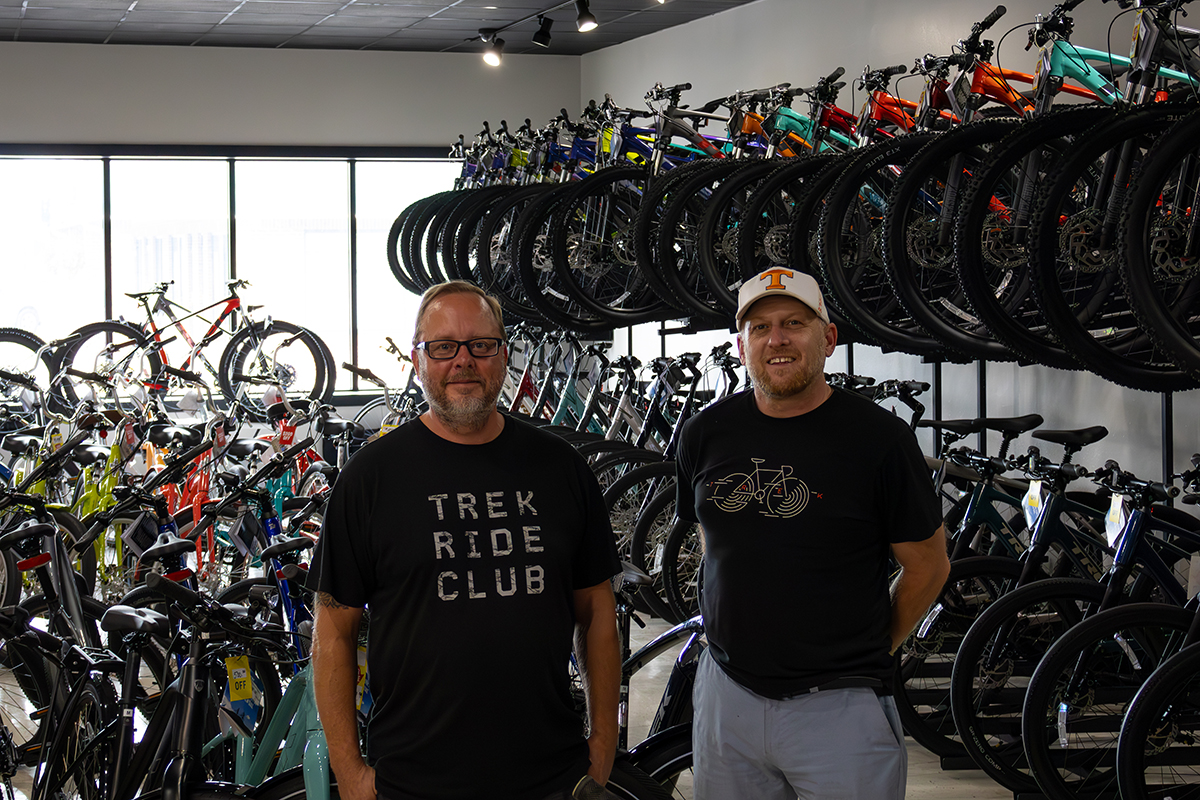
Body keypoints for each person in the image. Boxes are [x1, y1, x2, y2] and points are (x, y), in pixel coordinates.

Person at [310, 280, 622, 800]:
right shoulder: (372, 477)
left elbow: (597, 613)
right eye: (443, 347)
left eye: (481, 345)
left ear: (503, 356)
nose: (463, 361)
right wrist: (350, 771)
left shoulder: (560, 468)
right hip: (413, 780)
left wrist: (604, 743)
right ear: (418, 360)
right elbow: (333, 631)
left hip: (550, 775)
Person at [675, 267, 951, 800]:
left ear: (828, 338)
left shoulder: (880, 440)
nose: (775, 339)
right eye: (759, 328)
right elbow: (713, 537)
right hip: (727, 696)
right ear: (741, 345)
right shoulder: (706, 432)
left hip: (839, 707)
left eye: (793, 323)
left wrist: (877, 646)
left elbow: (928, 564)